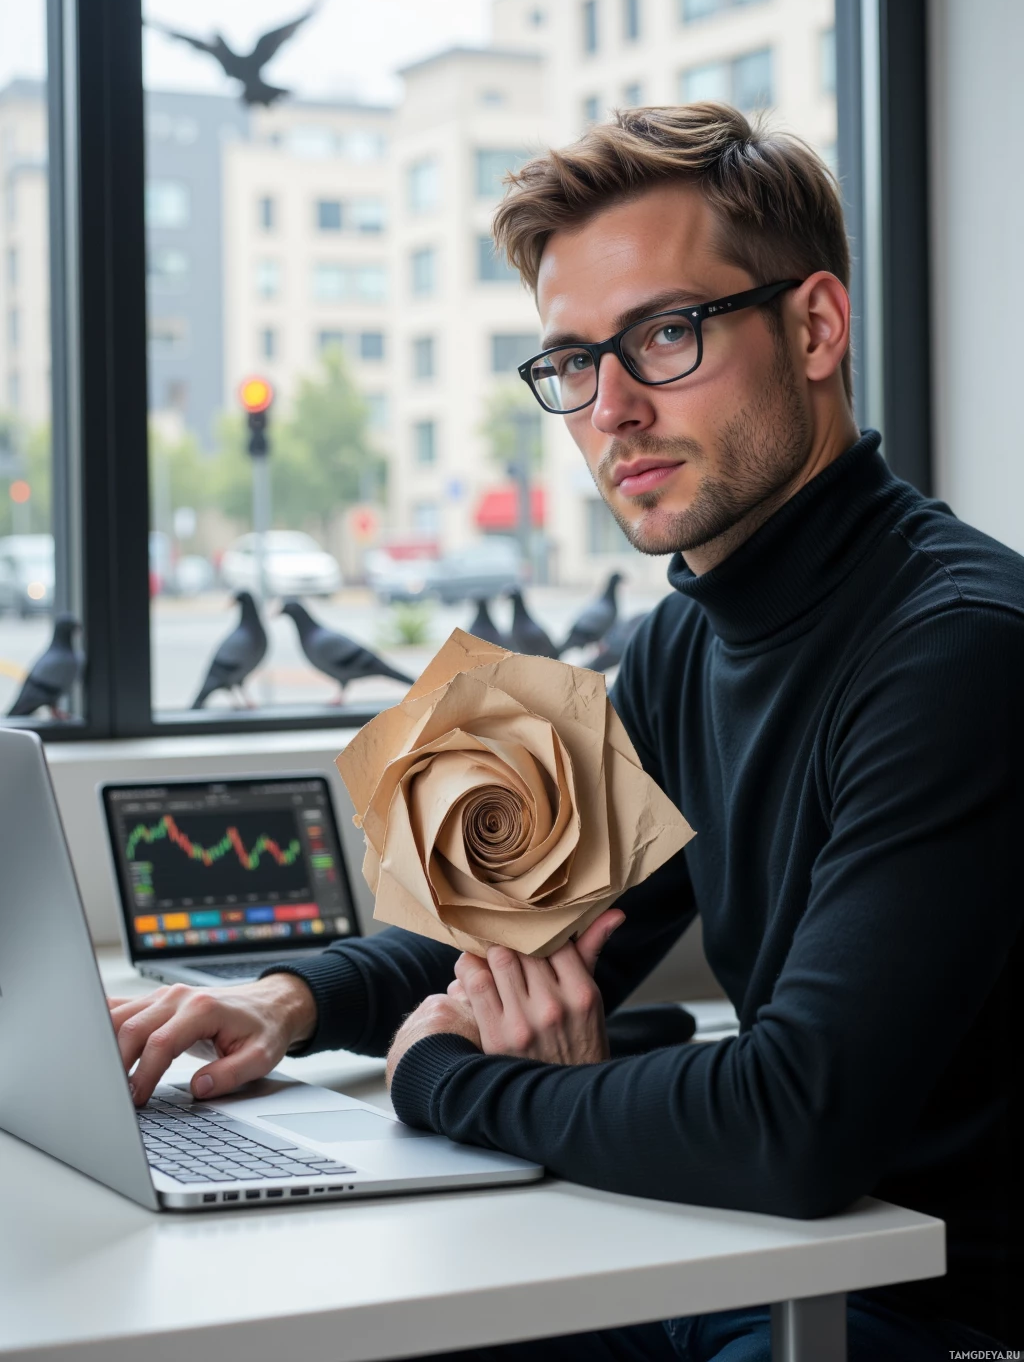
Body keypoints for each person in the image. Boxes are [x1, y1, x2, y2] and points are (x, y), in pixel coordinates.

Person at [109, 104, 1024, 1361]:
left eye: (664, 334)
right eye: (574, 362)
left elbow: (794, 1121)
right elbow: (508, 927)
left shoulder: (959, 647)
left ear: (814, 325)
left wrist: (452, 1084)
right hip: (777, 1265)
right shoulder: (684, 639)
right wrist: (284, 1002)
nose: (611, 410)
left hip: (941, 1309)